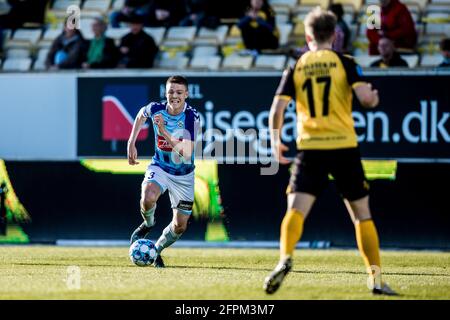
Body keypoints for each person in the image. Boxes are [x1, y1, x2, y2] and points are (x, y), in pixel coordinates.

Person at [263, 7, 397, 296]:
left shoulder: (296, 66)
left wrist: (276, 141)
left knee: (295, 210)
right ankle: (375, 279)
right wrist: (373, 97)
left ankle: (285, 258)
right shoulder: (345, 62)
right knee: (362, 215)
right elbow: (365, 99)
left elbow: (277, 109)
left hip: (310, 147)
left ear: (308, 35)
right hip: (344, 147)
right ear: (335, 35)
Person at [127, 75, 200, 268]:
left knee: (180, 225)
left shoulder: (192, 117)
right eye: (170, 92)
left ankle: (156, 250)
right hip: (160, 166)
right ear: (165, 93)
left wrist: (163, 130)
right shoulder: (156, 108)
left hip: (184, 176)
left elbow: (186, 152)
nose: (174, 96)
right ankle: (148, 224)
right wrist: (131, 141)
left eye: (178, 92)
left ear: (186, 94)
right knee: (148, 197)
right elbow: (141, 115)